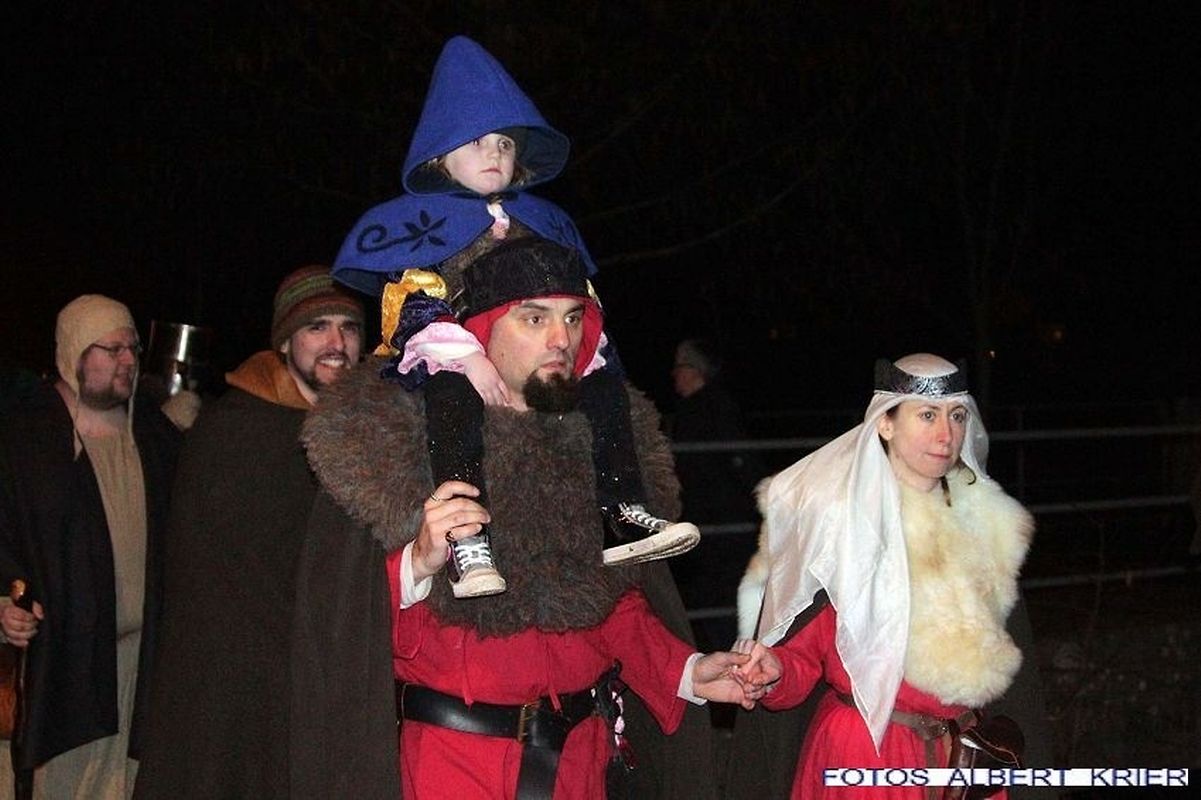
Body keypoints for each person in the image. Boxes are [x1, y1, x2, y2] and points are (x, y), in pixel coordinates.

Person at [302, 237, 774, 798]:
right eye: (534, 319)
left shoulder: (595, 446)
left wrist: (688, 672)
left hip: (580, 763)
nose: (561, 339)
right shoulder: (396, 444)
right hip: (456, 768)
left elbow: (608, 603)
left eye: (573, 317)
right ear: (480, 331)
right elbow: (342, 622)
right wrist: (418, 563)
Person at [332, 35, 698, 599]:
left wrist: (589, 351)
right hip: (446, 362)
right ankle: (466, 536)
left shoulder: (544, 223)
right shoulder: (419, 226)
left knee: (605, 393)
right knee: (452, 397)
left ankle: (622, 511)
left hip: (533, 367)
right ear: (439, 157)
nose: (494, 153)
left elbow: (579, 300)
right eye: (477, 141)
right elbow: (409, 302)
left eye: (504, 142)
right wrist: (466, 356)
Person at [737, 353, 1034, 799]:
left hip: (962, 755)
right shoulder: (842, 528)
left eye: (957, 415)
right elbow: (802, 653)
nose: (947, 433)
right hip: (869, 755)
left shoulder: (984, 525)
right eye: (927, 415)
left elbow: (1008, 670)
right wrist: (774, 669)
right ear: (885, 424)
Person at [131, 266, 377, 799]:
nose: (337, 344)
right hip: (233, 693)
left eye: (349, 328)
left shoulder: (362, 434)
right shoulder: (234, 432)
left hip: (322, 683)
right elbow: (208, 583)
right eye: (317, 328)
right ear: (285, 341)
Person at [0, 295, 181, 799]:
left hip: (141, 667)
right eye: (111, 349)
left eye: (132, 348)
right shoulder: (25, 441)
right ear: (73, 353)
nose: (128, 361)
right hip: (65, 668)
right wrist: (4, 605)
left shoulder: (155, 437)